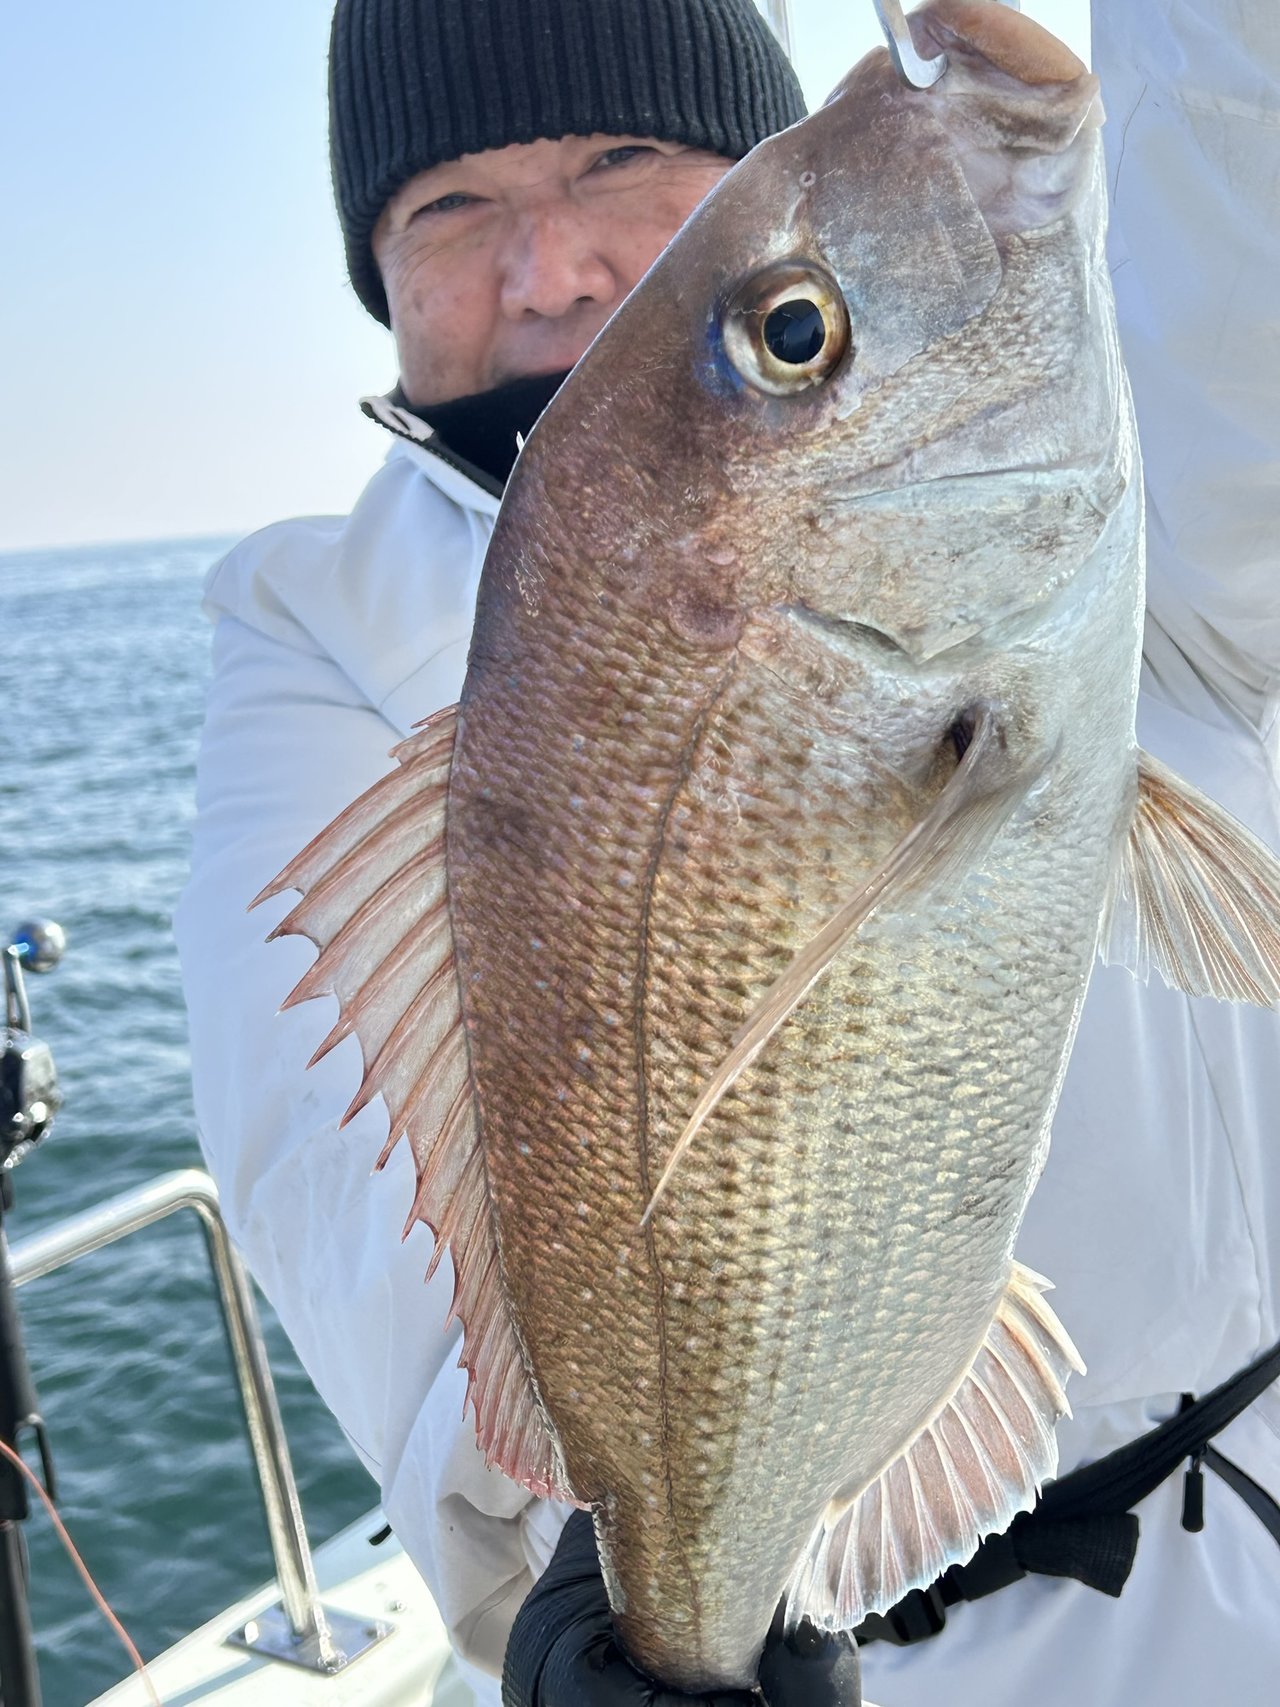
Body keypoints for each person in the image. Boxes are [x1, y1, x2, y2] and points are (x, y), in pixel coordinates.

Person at [175, 2, 1280, 1705]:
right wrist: (583, 1592)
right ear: (373, 271)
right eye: (447, 207)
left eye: (622, 159)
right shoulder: (305, 617)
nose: (549, 266)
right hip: (702, 1624)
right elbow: (322, 1150)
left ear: (747, 158)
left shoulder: (1117, 471)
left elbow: (1239, 237)